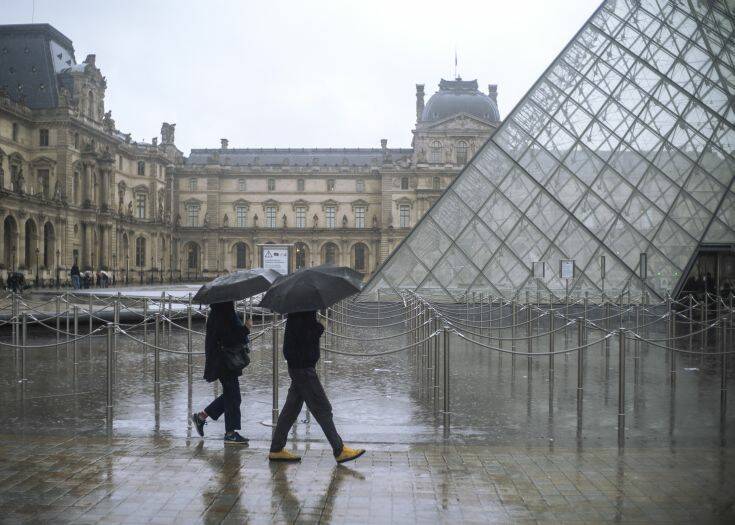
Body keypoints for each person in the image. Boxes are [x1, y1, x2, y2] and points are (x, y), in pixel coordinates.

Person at [268, 310, 365, 464]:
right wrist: (320, 326)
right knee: (323, 408)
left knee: (291, 409)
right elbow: (305, 337)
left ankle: (276, 449)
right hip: (303, 367)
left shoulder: (301, 309)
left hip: (300, 365)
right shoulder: (302, 311)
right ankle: (339, 450)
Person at [191, 301, 252, 444]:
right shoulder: (225, 314)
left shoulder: (218, 312)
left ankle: (201, 417)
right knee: (233, 396)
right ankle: (230, 433)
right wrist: (246, 328)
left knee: (232, 395)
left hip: (221, 360)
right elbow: (229, 338)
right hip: (224, 361)